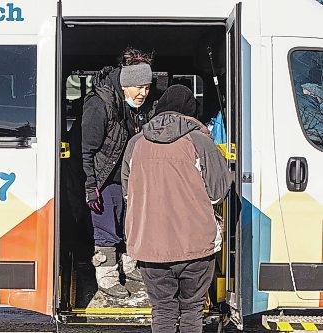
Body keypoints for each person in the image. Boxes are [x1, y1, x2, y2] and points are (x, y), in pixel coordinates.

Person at [121, 84, 231, 332]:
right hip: (196, 245)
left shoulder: (136, 143)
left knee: (162, 310)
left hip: (150, 246)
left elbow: (128, 193)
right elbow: (218, 192)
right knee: (192, 310)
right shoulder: (200, 141)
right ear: (192, 112)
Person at [81, 47, 155, 297]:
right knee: (106, 229)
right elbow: (87, 150)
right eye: (138, 88)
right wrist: (91, 186)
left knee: (129, 225)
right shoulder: (99, 104)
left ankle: (129, 266)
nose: (143, 93)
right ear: (125, 84)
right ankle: (107, 276)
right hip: (105, 180)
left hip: (128, 177)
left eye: (147, 87)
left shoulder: (135, 106)